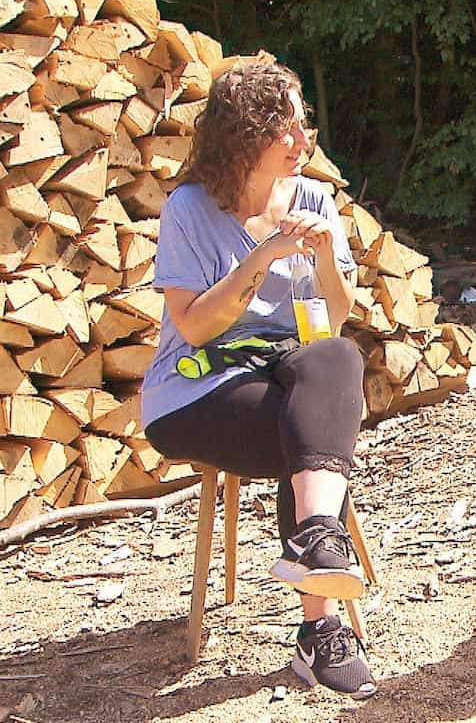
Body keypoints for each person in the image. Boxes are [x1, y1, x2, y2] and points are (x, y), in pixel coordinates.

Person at [140, 61, 376, 699]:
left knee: (338, 358)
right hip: (197, 389)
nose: (306, 143)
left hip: (286, 371)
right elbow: (193, 326)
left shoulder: (313, 198)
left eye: (306, 126)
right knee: (304, 437)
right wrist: (262, 256)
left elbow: (338, 315)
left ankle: (316, 539)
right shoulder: (189, 208)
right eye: (291, 129)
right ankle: (320, 625)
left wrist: (326, 255)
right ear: (247, 135)